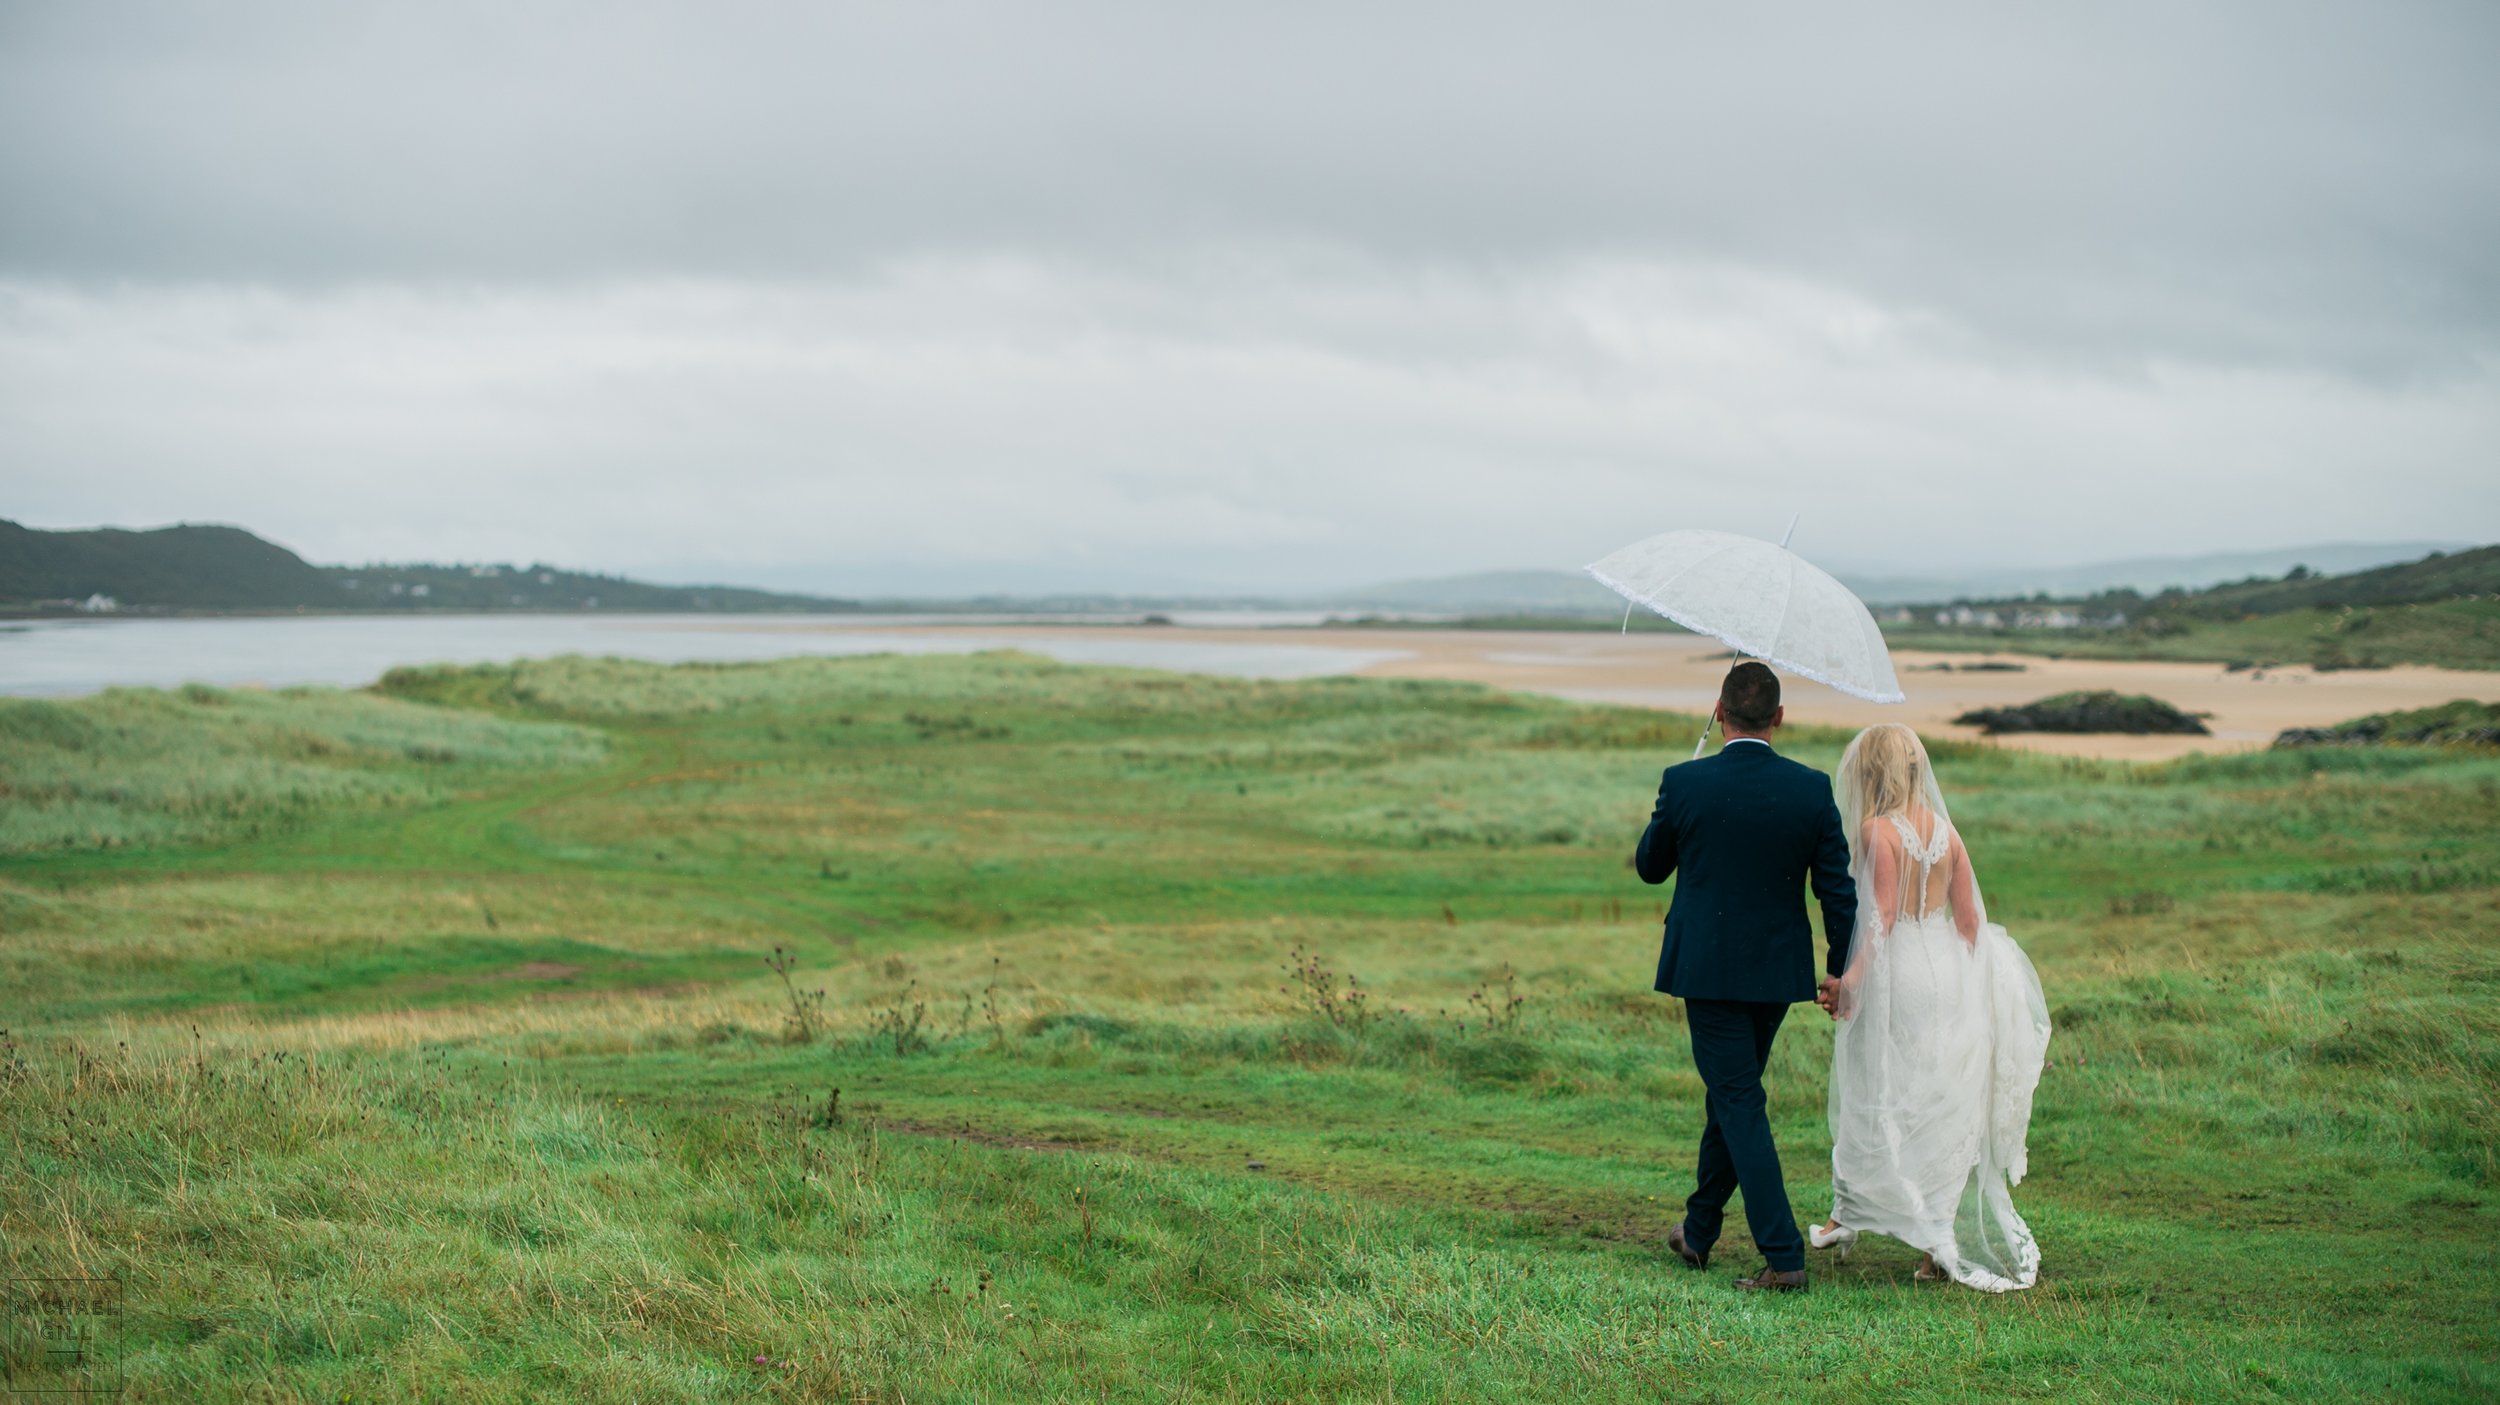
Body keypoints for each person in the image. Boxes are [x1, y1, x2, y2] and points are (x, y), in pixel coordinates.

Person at [1634, 661, 1856, 1293]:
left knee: (1737, 1100)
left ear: (1719, 712)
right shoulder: (1810, 789)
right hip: (1776, 974)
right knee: (1731, 1098)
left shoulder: (1685, 781)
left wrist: (1667, 803)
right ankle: (1698, 1231)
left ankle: (1784, 1257)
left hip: (1706, 970)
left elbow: (1650, 868)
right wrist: (1838, 968)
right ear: (1779, 718)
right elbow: (1837, 894)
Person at [1806, 723, 2051, 1291]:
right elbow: (1970, 922)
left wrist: (1852, 981)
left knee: (1876, 1086)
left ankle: (1848, 1215)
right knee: (1936, 1099)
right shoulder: (1947, 832)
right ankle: (1931, 1241)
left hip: (1904, 972)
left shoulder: (1876, 831)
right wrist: (1976, 988)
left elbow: (1882, 918)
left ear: (1872, 774)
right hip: (1948, 972)